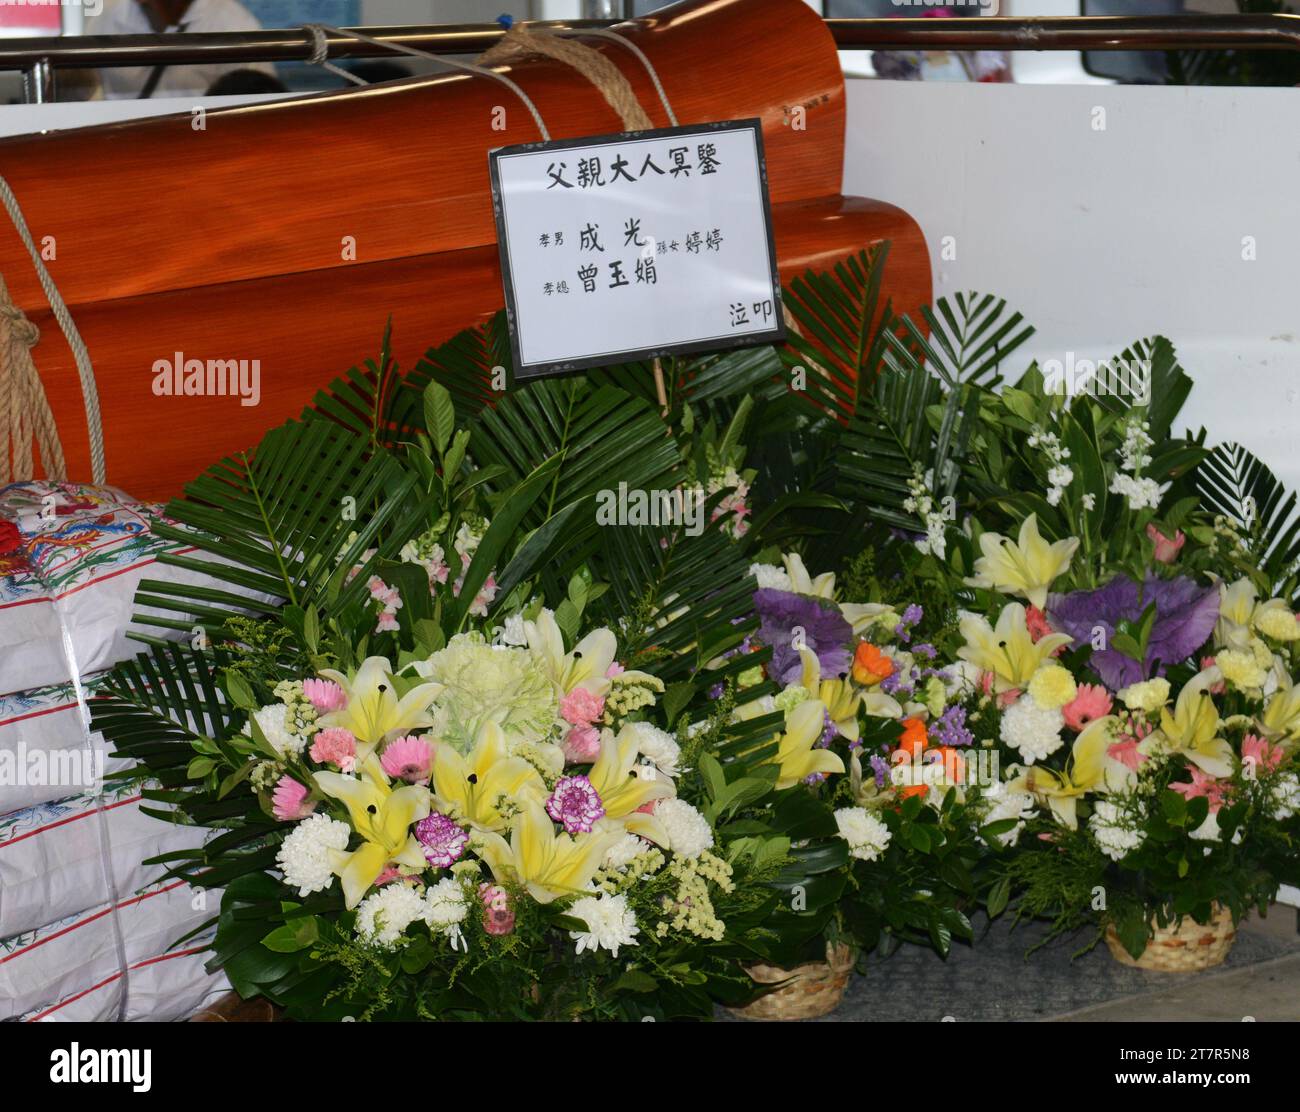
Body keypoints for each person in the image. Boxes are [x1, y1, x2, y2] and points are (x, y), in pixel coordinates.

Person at [86, 0, 279, 100]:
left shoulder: (234, 24)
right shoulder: (107, 20)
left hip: (205, 147)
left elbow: (259, 103)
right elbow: (81, 90)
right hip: (129, 147)